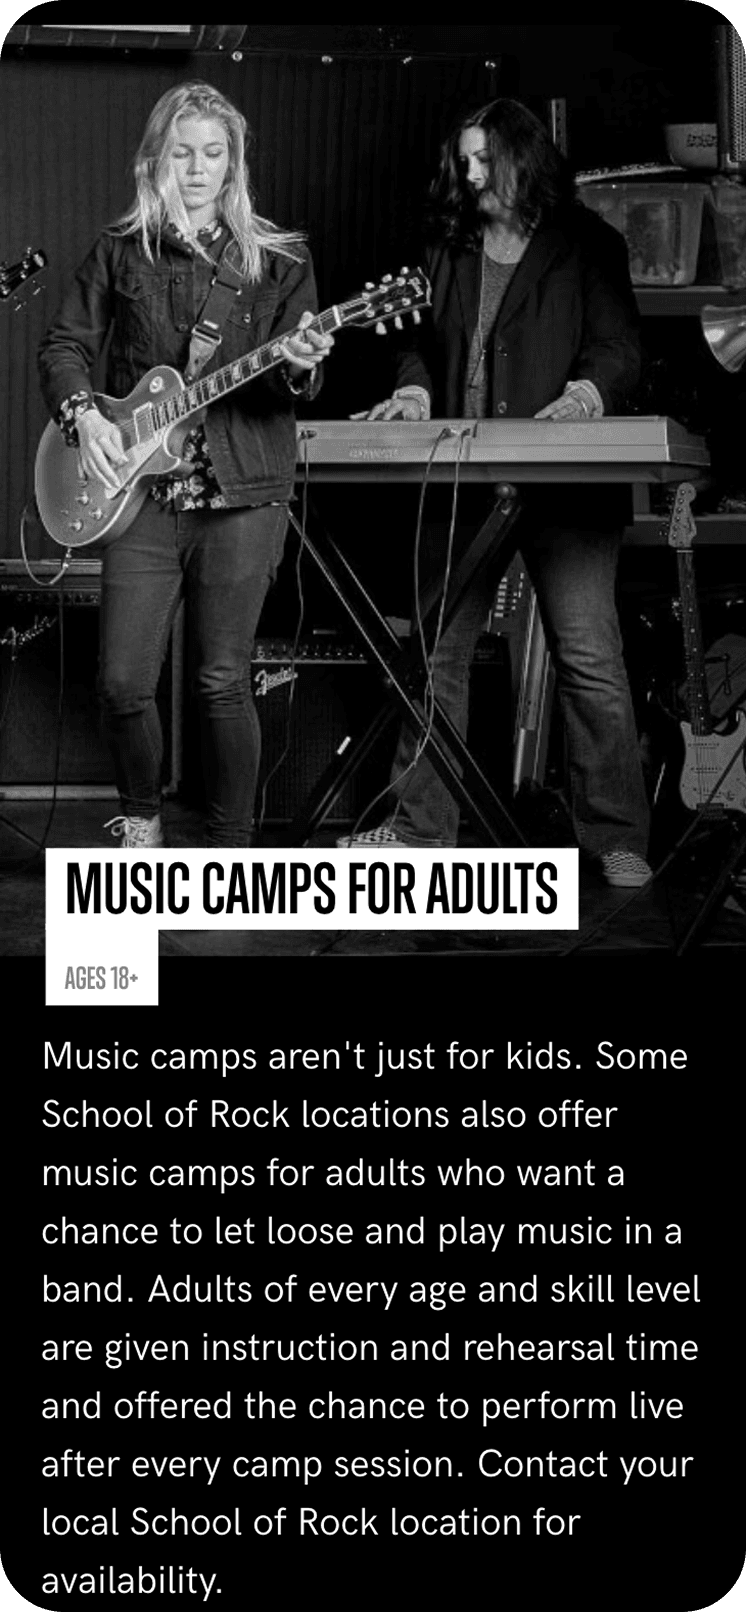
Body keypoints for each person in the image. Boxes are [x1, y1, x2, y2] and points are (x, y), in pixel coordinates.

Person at [341, 97, 652, 888]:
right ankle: (419, 833)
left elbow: (618, 347)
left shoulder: (588, 243)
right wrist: (413, 389)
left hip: (566, 485)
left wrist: (585, 395)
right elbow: (411, 343)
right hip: (461, 481)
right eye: (464, 161)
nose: (471, 174)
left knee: (588, 656)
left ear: (522, 157)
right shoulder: (443, 247)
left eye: (485, 159)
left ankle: (616, 837)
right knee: (435, 652)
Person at [38, 81, 333, 848]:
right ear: (155, 159)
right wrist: (84, 415)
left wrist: (299, 364)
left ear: (233, 163)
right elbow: (65, 344)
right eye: (182, 153)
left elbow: (290, 381)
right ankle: (143, 819)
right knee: (121, 682)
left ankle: (231, 853)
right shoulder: (121, 248)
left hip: (244, 493)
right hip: (142, 497)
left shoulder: (279, 259)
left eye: (213, 153)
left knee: (221, 680)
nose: (198, 169)